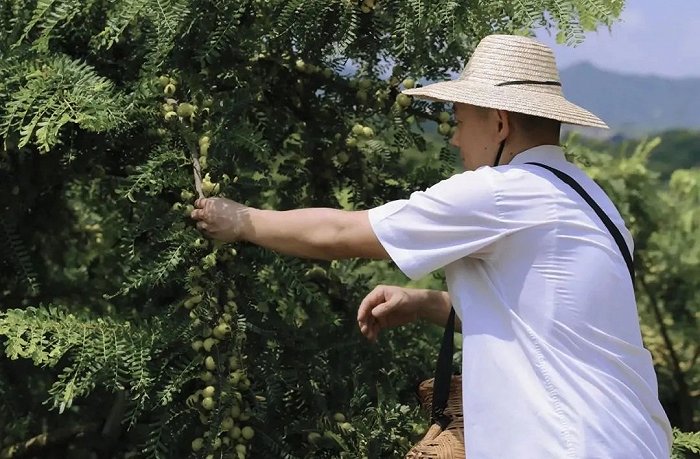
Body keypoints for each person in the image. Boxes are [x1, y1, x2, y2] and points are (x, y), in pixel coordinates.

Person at [190, 34, 672, 458]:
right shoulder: (592, 201)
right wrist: (424, 303)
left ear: (499, 123)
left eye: (460, 120)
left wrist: (242, 221)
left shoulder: (501, 192)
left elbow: (341, 234)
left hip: (567, 445)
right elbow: (543, 321)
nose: (456, 138)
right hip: (631, 439)